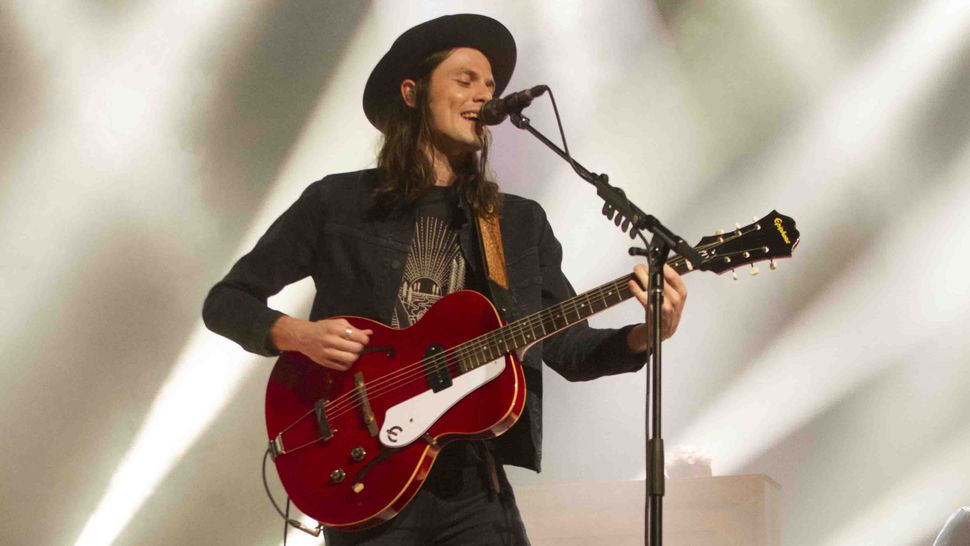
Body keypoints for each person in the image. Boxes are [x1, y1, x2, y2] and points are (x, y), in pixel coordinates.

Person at [202, 13, 687, 545]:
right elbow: (226, 301)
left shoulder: (517, 223)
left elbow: (566, 347)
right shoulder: (336, 203)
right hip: (365, 475)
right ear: (412, 93)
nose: (484, 93)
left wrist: (646, 334)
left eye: (490, 85)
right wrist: (298, 336)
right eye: (465, 79)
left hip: (472, 481)